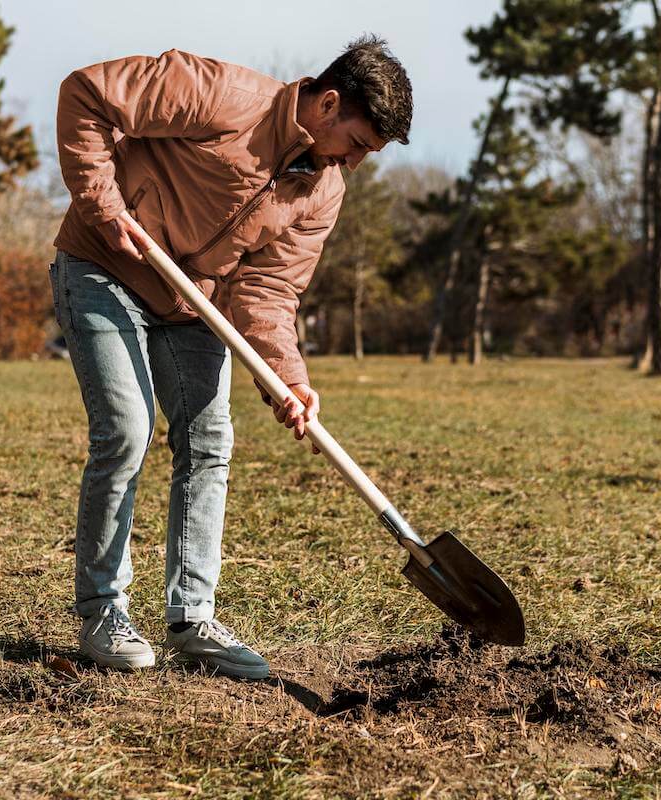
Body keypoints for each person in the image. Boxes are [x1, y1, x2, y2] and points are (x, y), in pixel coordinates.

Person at [51, 37, 413, 678]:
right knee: (127, 429)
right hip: (103, 266)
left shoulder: (323, 190)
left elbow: (270, 291)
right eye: (357, 144)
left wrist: (287, 378)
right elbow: (86, 93)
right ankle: (103, 611)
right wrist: (102, 205)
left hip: (191, 304)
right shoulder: (218, 94)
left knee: (209, 439)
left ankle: (193, 619)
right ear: (328, 104)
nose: (354, 163)